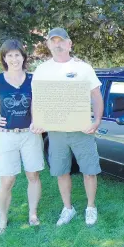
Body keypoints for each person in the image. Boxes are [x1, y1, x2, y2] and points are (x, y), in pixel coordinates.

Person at [31, 27, 104, 227]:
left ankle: (90, 207)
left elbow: (96, 96)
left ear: (69, 43)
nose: (58, 44)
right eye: (53, 41)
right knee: (61, 171)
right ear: (48, 45)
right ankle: (68, 208)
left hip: (82, 130)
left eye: (61, 41)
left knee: (89, 170)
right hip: (56, 133)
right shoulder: (42, 70)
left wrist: (96, 120)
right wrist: (36, 120)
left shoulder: (83, 68)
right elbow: (37, 99)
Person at [0, 39, 45, 235]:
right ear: (4, 58)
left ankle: (32, 214)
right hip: (6, 137)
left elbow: (40, 104)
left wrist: (39, 120)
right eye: (10, 55)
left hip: (30, 136)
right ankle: (3, 219)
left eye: (17, 55)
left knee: (33, 175)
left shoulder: (33, 79)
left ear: (24, 57)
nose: (14, 59)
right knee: (7, 181)